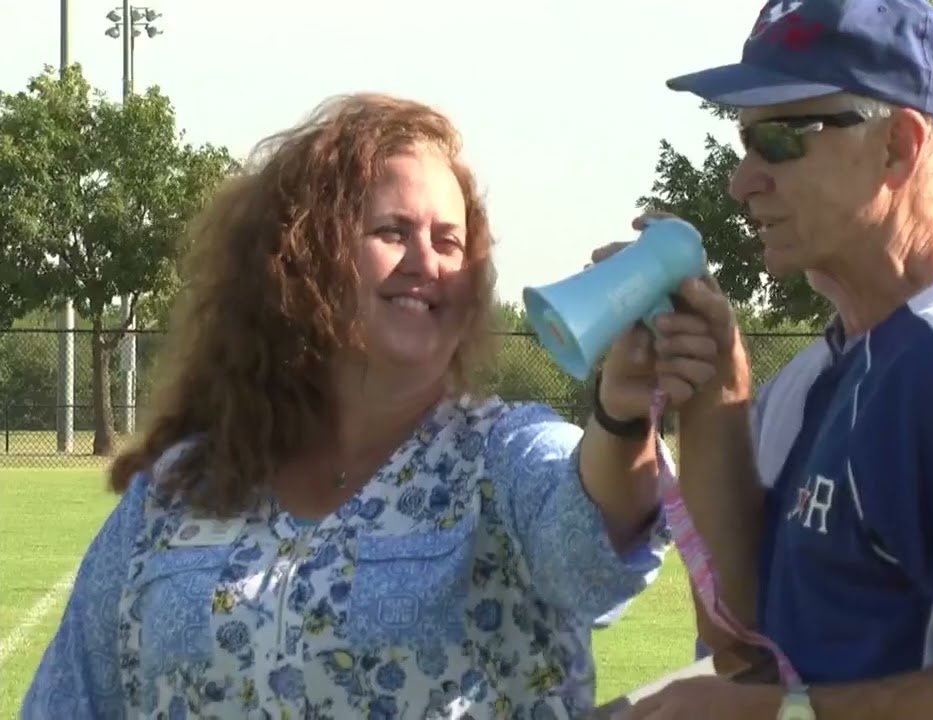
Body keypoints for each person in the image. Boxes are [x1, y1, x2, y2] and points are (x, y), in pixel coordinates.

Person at [21, 93, 724, 720]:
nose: (429, 260)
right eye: (393, 231)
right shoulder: (175, 493)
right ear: (303, 256)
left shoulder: (498, 457)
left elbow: (586, 551)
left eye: (450, 240)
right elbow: (70, 697)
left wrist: (624, 412)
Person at [618, 0, 933, 718]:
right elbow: (748, 643)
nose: (742, 182)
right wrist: (716, 392)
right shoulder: (856, 362)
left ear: (898, 145)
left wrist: (772, 716)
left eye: (777, 141)